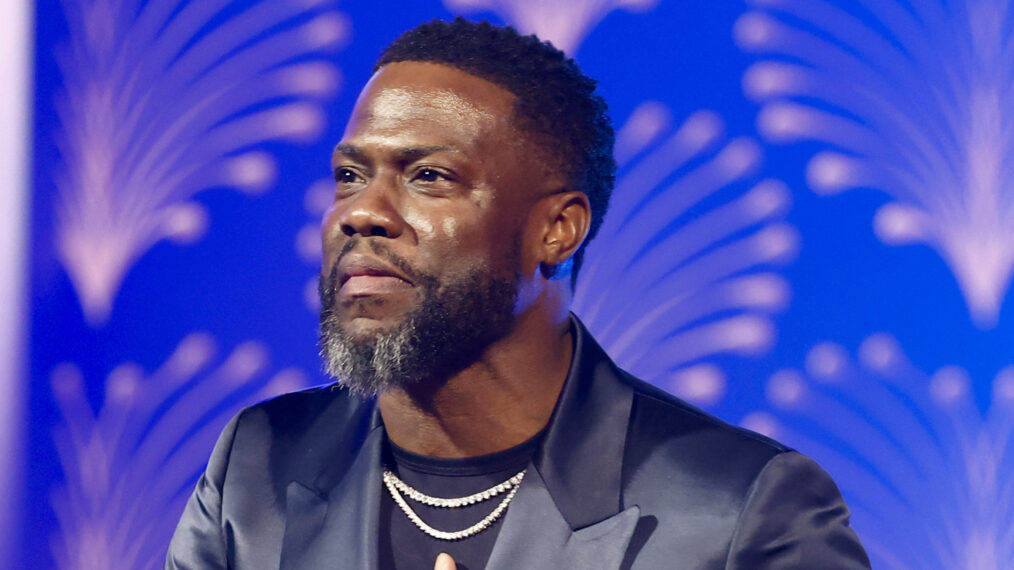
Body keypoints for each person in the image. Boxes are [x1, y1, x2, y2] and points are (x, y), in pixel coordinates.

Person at [165, 18, 870, 570]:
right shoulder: (257, 467)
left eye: (429, 176)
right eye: (350, 175)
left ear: (557, 232)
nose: (361, 212)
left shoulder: (738, 511)